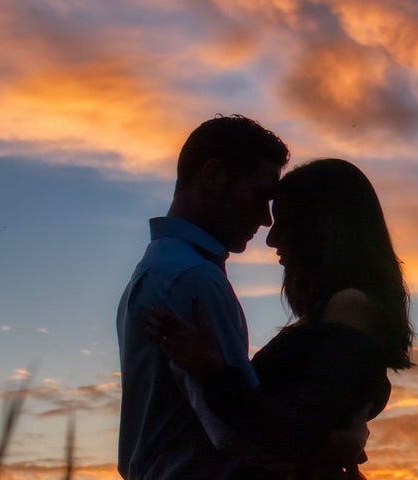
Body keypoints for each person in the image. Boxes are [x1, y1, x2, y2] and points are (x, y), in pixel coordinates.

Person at [144, 158, 416, 479]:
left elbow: (295, 430)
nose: (271, 240)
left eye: (284, 223)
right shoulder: (331, 311)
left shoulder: (350, 305)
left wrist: (211, 370)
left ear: (321, 228)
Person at [116, 115, 297, 479]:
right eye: (259, 196)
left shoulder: (159, 268)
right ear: (213, 176)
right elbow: (238, 430)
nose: (266, 220)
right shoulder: (192, 279)